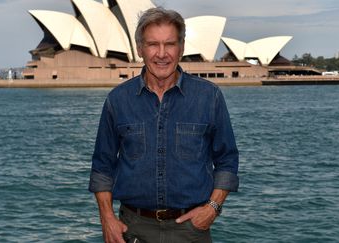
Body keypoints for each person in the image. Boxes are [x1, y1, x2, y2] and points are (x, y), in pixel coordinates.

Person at [89, 7, 239, 243]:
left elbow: (227, 159)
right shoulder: (117, 100)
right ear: (140, 49)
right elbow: (102, 166)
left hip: (191, 230)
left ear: (181, 48)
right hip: (132, 229)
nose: (162, 54)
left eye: (169, 44)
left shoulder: (209, 97)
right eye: (152, 44)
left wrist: (212, 208)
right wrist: (106, 218)